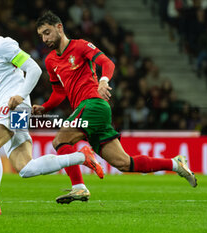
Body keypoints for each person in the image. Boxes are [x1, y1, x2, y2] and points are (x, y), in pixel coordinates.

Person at [33, 11, 197, 203]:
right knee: (124, 163)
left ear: (59, 27)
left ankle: (79, 187)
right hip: (86, 111)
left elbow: (107, 62)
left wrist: (103, 81)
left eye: (47, 32)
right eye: (42, 36)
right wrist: (45, 107)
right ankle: (175, 164)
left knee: (61, 140)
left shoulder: (80, 46)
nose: (45, 39)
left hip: (93, 104)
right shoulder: (50, 60)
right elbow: (59, 92)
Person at [0, 13, 104, 215]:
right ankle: (81, 156)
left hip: (17, 106)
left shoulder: (3, 46)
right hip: (3, 106)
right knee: (25, 168)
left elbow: (33, 69)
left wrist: (20, 95)